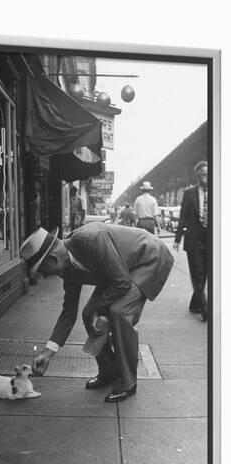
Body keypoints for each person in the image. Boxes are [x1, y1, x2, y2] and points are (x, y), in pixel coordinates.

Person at [19, 223, 174, 403]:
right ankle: (109, 372)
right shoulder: (67, 270)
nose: (45, 276)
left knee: (119, 312)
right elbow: (68, 313)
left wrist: (99, 310)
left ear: (53, 259)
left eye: (42, 271)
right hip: (120, 271)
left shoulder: (92, 239)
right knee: (88, 314)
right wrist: (48, 353)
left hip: (149, 258)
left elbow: (122, 283)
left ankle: (128, 382)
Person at [173, 161, 208, 322]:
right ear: (198, 176)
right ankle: (206, 308)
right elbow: (182, 218)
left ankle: (195, 303)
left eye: (209, 174)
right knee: (198, 274)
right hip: (194, 239)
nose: (206, 177)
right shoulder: (189, 193)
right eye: (203, 174)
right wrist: (177, 239)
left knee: (205, 274)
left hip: (212, 240)